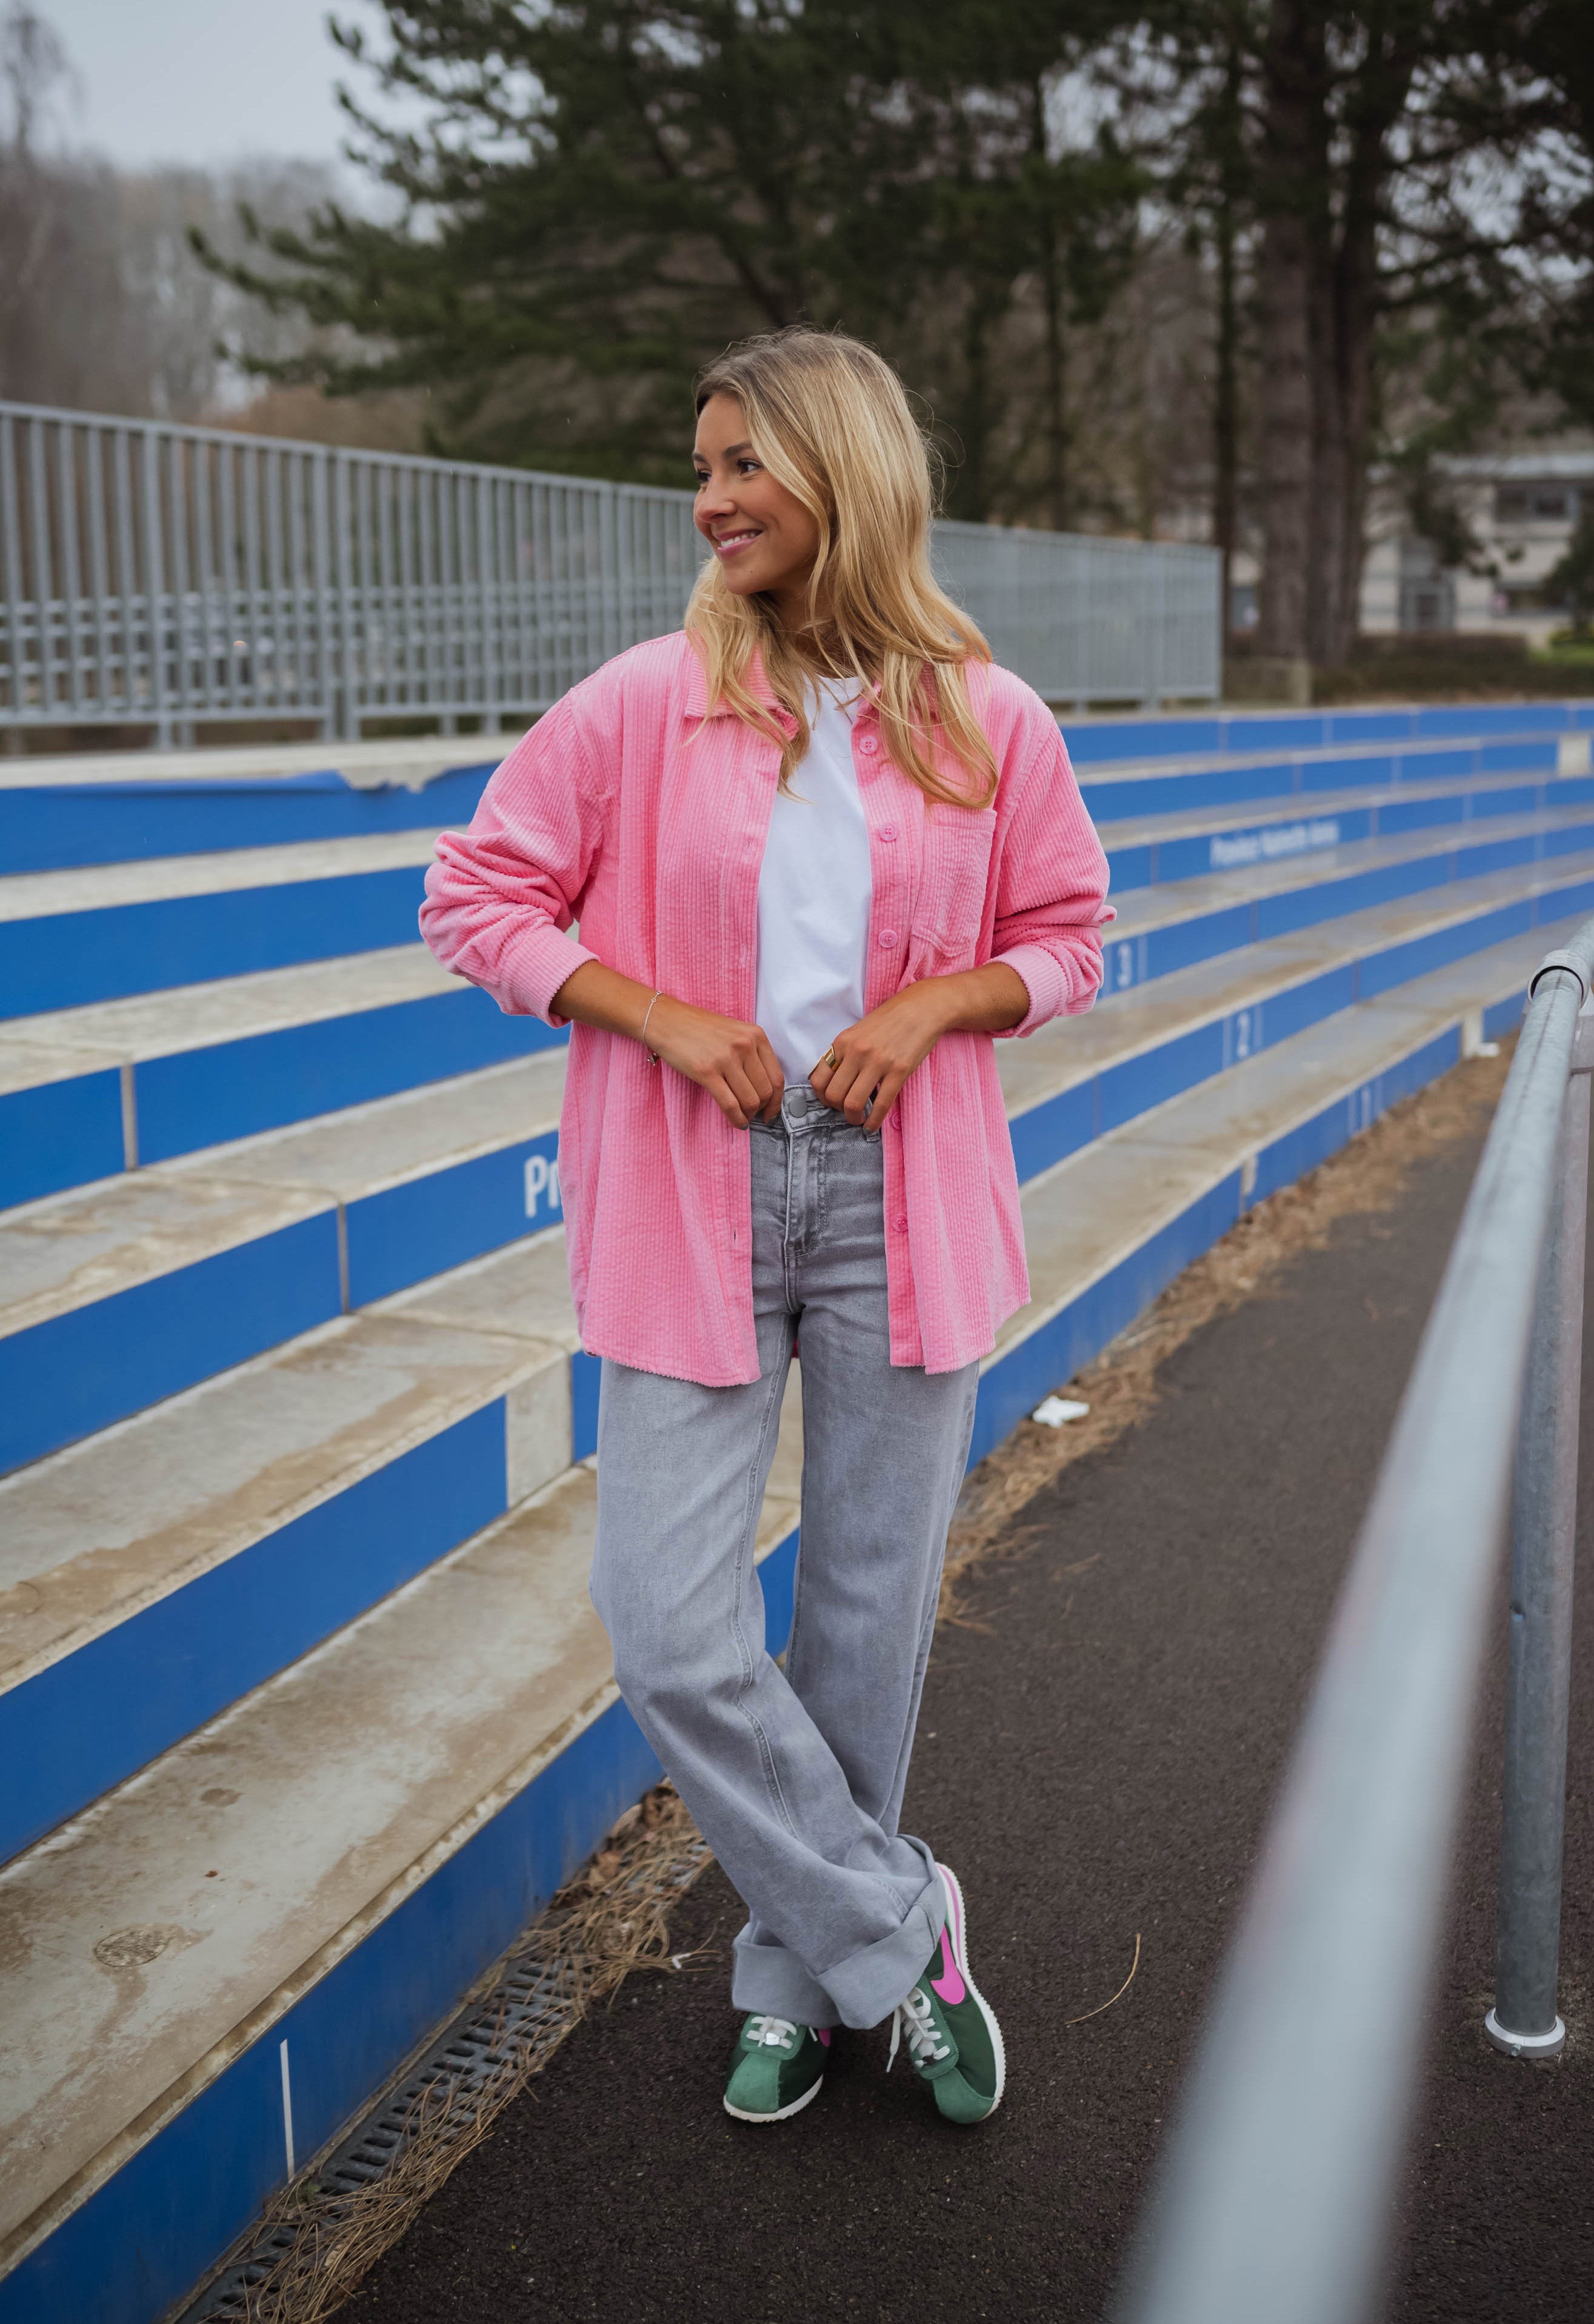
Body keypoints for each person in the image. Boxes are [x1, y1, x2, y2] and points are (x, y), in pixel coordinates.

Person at [419, 328, 1110, 2128]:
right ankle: (900, 1928)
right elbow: (473, 893)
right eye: (701, 466)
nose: (709, 497)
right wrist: (648, 1010)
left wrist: (938, 1005)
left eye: (744, 464)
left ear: (845, 471)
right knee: (665, 1623)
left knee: (864, 1625)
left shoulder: (986, 711)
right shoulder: (641, 701)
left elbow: (1072, 937)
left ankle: (791, 1986)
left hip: (904, 1197)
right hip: (692, 1187)